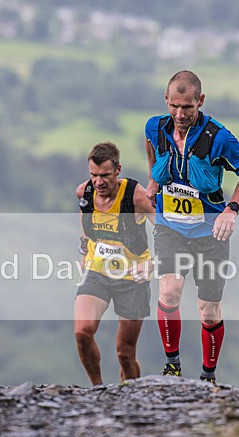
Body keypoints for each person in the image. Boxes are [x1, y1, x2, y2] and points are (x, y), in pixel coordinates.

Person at [144, 70, 239, 384]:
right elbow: (150, 147)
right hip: (170, 226)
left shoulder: (220, 137)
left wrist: (231, 211)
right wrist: (154, 179)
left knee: (208, 310)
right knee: (170, 291)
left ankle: (208, 376)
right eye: (175, 106)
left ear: (200, 102)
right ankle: (172, 366)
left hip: (210, 232)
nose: (180, 114)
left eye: (188, 108)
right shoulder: (155, 127)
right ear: (166, 100)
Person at [74, 141, 156, 386]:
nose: (99, 182)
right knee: (82, 333)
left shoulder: (136, 196)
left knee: (125, 353)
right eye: (94, 175)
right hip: (97, 272)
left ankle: (130, 399)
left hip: (132, 278)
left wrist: (151, 264)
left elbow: (167, 232)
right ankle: (98, 391)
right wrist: (83, 251)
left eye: (105, 176)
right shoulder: (84, 192)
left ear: (118, 169)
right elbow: (86, 224)